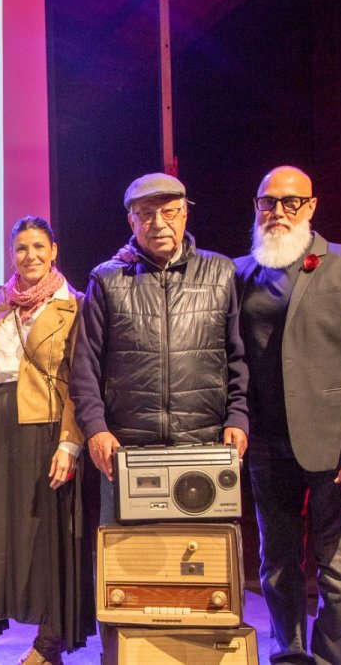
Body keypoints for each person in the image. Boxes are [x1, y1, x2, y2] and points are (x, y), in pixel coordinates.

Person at [235, 166, 341, 665]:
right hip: (267, 445)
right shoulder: (241, 272)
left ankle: (330, 660)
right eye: (268, 202)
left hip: (336, 447)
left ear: (311, 207)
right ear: (257, 207)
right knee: (277, 566)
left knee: (338, 568)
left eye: (291, 202)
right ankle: (288, 655)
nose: (278, 212)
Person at [70, 172, 250, 523]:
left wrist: (238, 417)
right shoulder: (106, 279)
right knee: (130, 569)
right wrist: (95, 428)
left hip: (203, 448)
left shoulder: (221, 273)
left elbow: (238, 357)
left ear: (185, 215)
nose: (158, 223)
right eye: (147, 214)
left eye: (169, 212)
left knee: (200, 568)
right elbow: (85, 365)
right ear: (131, 221)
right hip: (126, 450)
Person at [0, 216, 93, 665]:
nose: (30, 256)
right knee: (13, 535)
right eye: (22, 248)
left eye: (38, 247)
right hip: (3, 424)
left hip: (49, 427)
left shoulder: (75, 305)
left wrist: (70, 443)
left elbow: (79, 383)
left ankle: (50, 643)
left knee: (51, 537)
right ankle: (28, 631)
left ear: (54, 251)